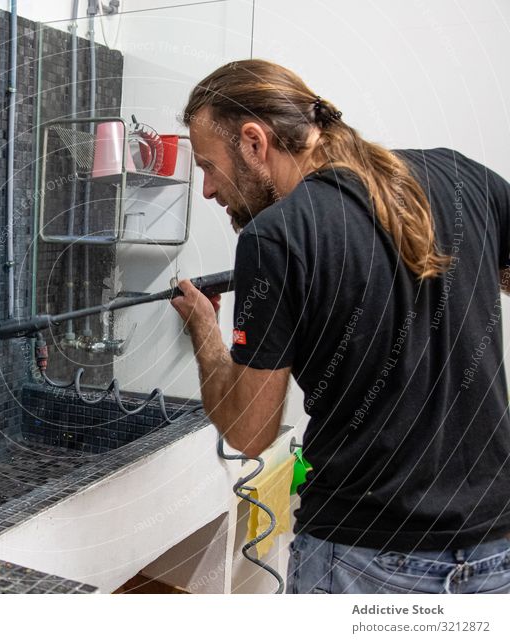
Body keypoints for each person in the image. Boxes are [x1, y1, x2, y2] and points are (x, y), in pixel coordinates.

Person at [170, 59, 510, 594]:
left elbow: (251, 431)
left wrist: (206, 335)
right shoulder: (460, 176)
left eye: (209, 166)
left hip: (365, 556)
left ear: (255, 143)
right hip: (495, 552)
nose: (210, 190)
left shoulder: (275, 237)